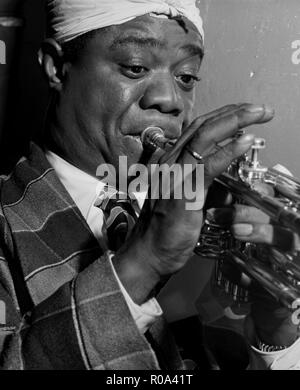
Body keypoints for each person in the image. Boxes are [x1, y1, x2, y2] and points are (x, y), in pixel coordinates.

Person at [0, 0, 299, 370]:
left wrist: (274, 339)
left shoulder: (208, 214)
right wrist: (143, 262)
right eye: (135, 67)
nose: (170, 100)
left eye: (186, 77)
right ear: (57, 67)